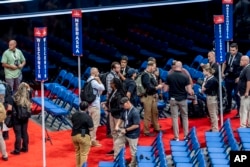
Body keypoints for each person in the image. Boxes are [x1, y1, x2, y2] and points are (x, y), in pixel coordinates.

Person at [165, 61, 194, 141]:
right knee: (185, 117)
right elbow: (189, 91)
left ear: (175, 67)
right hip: (183, 99)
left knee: (174, 118)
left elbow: (165, 89)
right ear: (181, 67)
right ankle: (186, 136)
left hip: (173, 99)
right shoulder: (185, 76)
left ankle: (176, 137)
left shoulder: (169, 76)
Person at [114, 97, 140, 167]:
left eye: (124, 105)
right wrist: (117, 125)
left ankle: (132, 164)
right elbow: (121, 118)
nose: (123, 106)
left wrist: (126, 130)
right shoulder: (125, 110)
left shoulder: (135, 112)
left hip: (133, 134)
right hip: (125, 132)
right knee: (117, 143)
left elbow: (136, 125)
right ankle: (118, 160)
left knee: (133, 151)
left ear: (128, 103)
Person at [141, 61, 164, 136]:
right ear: (150, 66)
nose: (155, 69)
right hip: (147, 97)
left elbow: (154, 83)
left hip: (153, 96)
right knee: (148, 114)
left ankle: (156, 128)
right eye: (154, 67)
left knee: (155, 113)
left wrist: (157, 87)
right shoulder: (145, 75)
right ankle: (146, 131)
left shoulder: (151, 74)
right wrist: (157, 87)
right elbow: (149, 87)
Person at [105, 78, 125, 155]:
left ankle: (120, 150)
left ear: (115, 84)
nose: (110, 84)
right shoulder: (113, 91)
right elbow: (110, 101)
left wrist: (110, 110)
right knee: (114, 132)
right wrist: (106, 105)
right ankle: (115, 148)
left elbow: (120, 107)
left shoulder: (119, 94)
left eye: (111, 83)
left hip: (118, 116)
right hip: (112, 114)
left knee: (119, 133)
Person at [11, 82, 32, 154]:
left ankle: (17, 150)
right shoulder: (28, 96)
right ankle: (25, 147)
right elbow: (30, 89)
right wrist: (27, 86)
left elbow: (12, 109)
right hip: (25, 118)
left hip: (17, 118)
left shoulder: (15, 97)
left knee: (18, 134)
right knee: (25, 132)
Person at [222, 43, 242, 117]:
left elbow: (243, 68)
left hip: (236, 78)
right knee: (228, 94)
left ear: (237, 49)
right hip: (228, 77)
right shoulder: (227, 54)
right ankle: (228, 108)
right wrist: (222, 72)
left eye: (233, 50)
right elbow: (224, 63)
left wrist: (239, 77)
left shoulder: (240, 56)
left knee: (237, 95)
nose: (232, 52)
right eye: (230, 50)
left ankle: (239, 111)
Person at [71, 101, 93, 167]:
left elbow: (73, 123)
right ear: (86, 108)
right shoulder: (87, 117)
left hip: (74, 134)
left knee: (77, 152)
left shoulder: (74, 114)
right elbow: (91, 128)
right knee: (83, 154)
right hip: (83, 134)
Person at [87, 67, 105, 147]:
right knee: (94, 124)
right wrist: (99, 80)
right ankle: (92, 141)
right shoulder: (94, 81)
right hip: (95, 105)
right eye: (98, 72)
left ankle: (90, 139)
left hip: (89, 105)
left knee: (90, 124)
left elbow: (100, 92)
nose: (99, 73)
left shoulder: (89, 79)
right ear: (95, 73)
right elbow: (103, 88)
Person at [201, 65, 219, 132]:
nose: (203, 72)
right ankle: (214, 127)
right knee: (213, 113)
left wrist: (204, 81)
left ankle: (215, 129)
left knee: (212, 113)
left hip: (211, 98)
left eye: (204, 70)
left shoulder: (211, 80)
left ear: (208, 71)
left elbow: (203, 89)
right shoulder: (211, 79)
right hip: (212, 97)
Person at [237, 56, 250, 128]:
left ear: (246, 61)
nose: (240, 61)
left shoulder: (248, 69)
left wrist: (247, 91)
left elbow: (249, 81)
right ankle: (248, 124)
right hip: (244, 93)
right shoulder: (245, 69)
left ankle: (243, 126)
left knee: (244, 110)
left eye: (242, 60)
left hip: (246, 94)